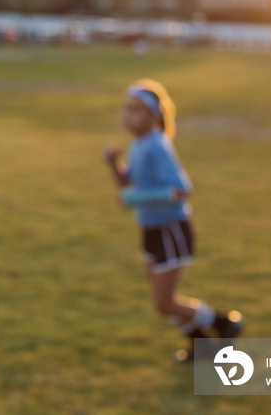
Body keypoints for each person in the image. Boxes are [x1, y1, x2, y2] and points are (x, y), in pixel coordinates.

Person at [103, 79, 242, 362]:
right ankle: (202, 344)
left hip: (170, 229)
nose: (127, 115)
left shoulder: (156, 145)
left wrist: (136, 198)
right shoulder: (139, 143)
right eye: (125, 108)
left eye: (136, 110)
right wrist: (113, 165)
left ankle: (223, 322)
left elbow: (181, 189)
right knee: (162, 304)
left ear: (154, 116)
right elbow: (128, 186)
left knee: (164, 303)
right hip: (150, 229)